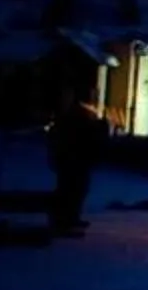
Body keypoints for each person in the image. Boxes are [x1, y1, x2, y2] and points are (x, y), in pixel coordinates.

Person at [46, 99, 108, 236]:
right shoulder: (78, 118)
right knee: (73, 189)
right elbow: (86, 138)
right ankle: (66, 219)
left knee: (72, 188)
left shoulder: (72, 118)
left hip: (72, 159)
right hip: (75, 160)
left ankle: (67, 218)